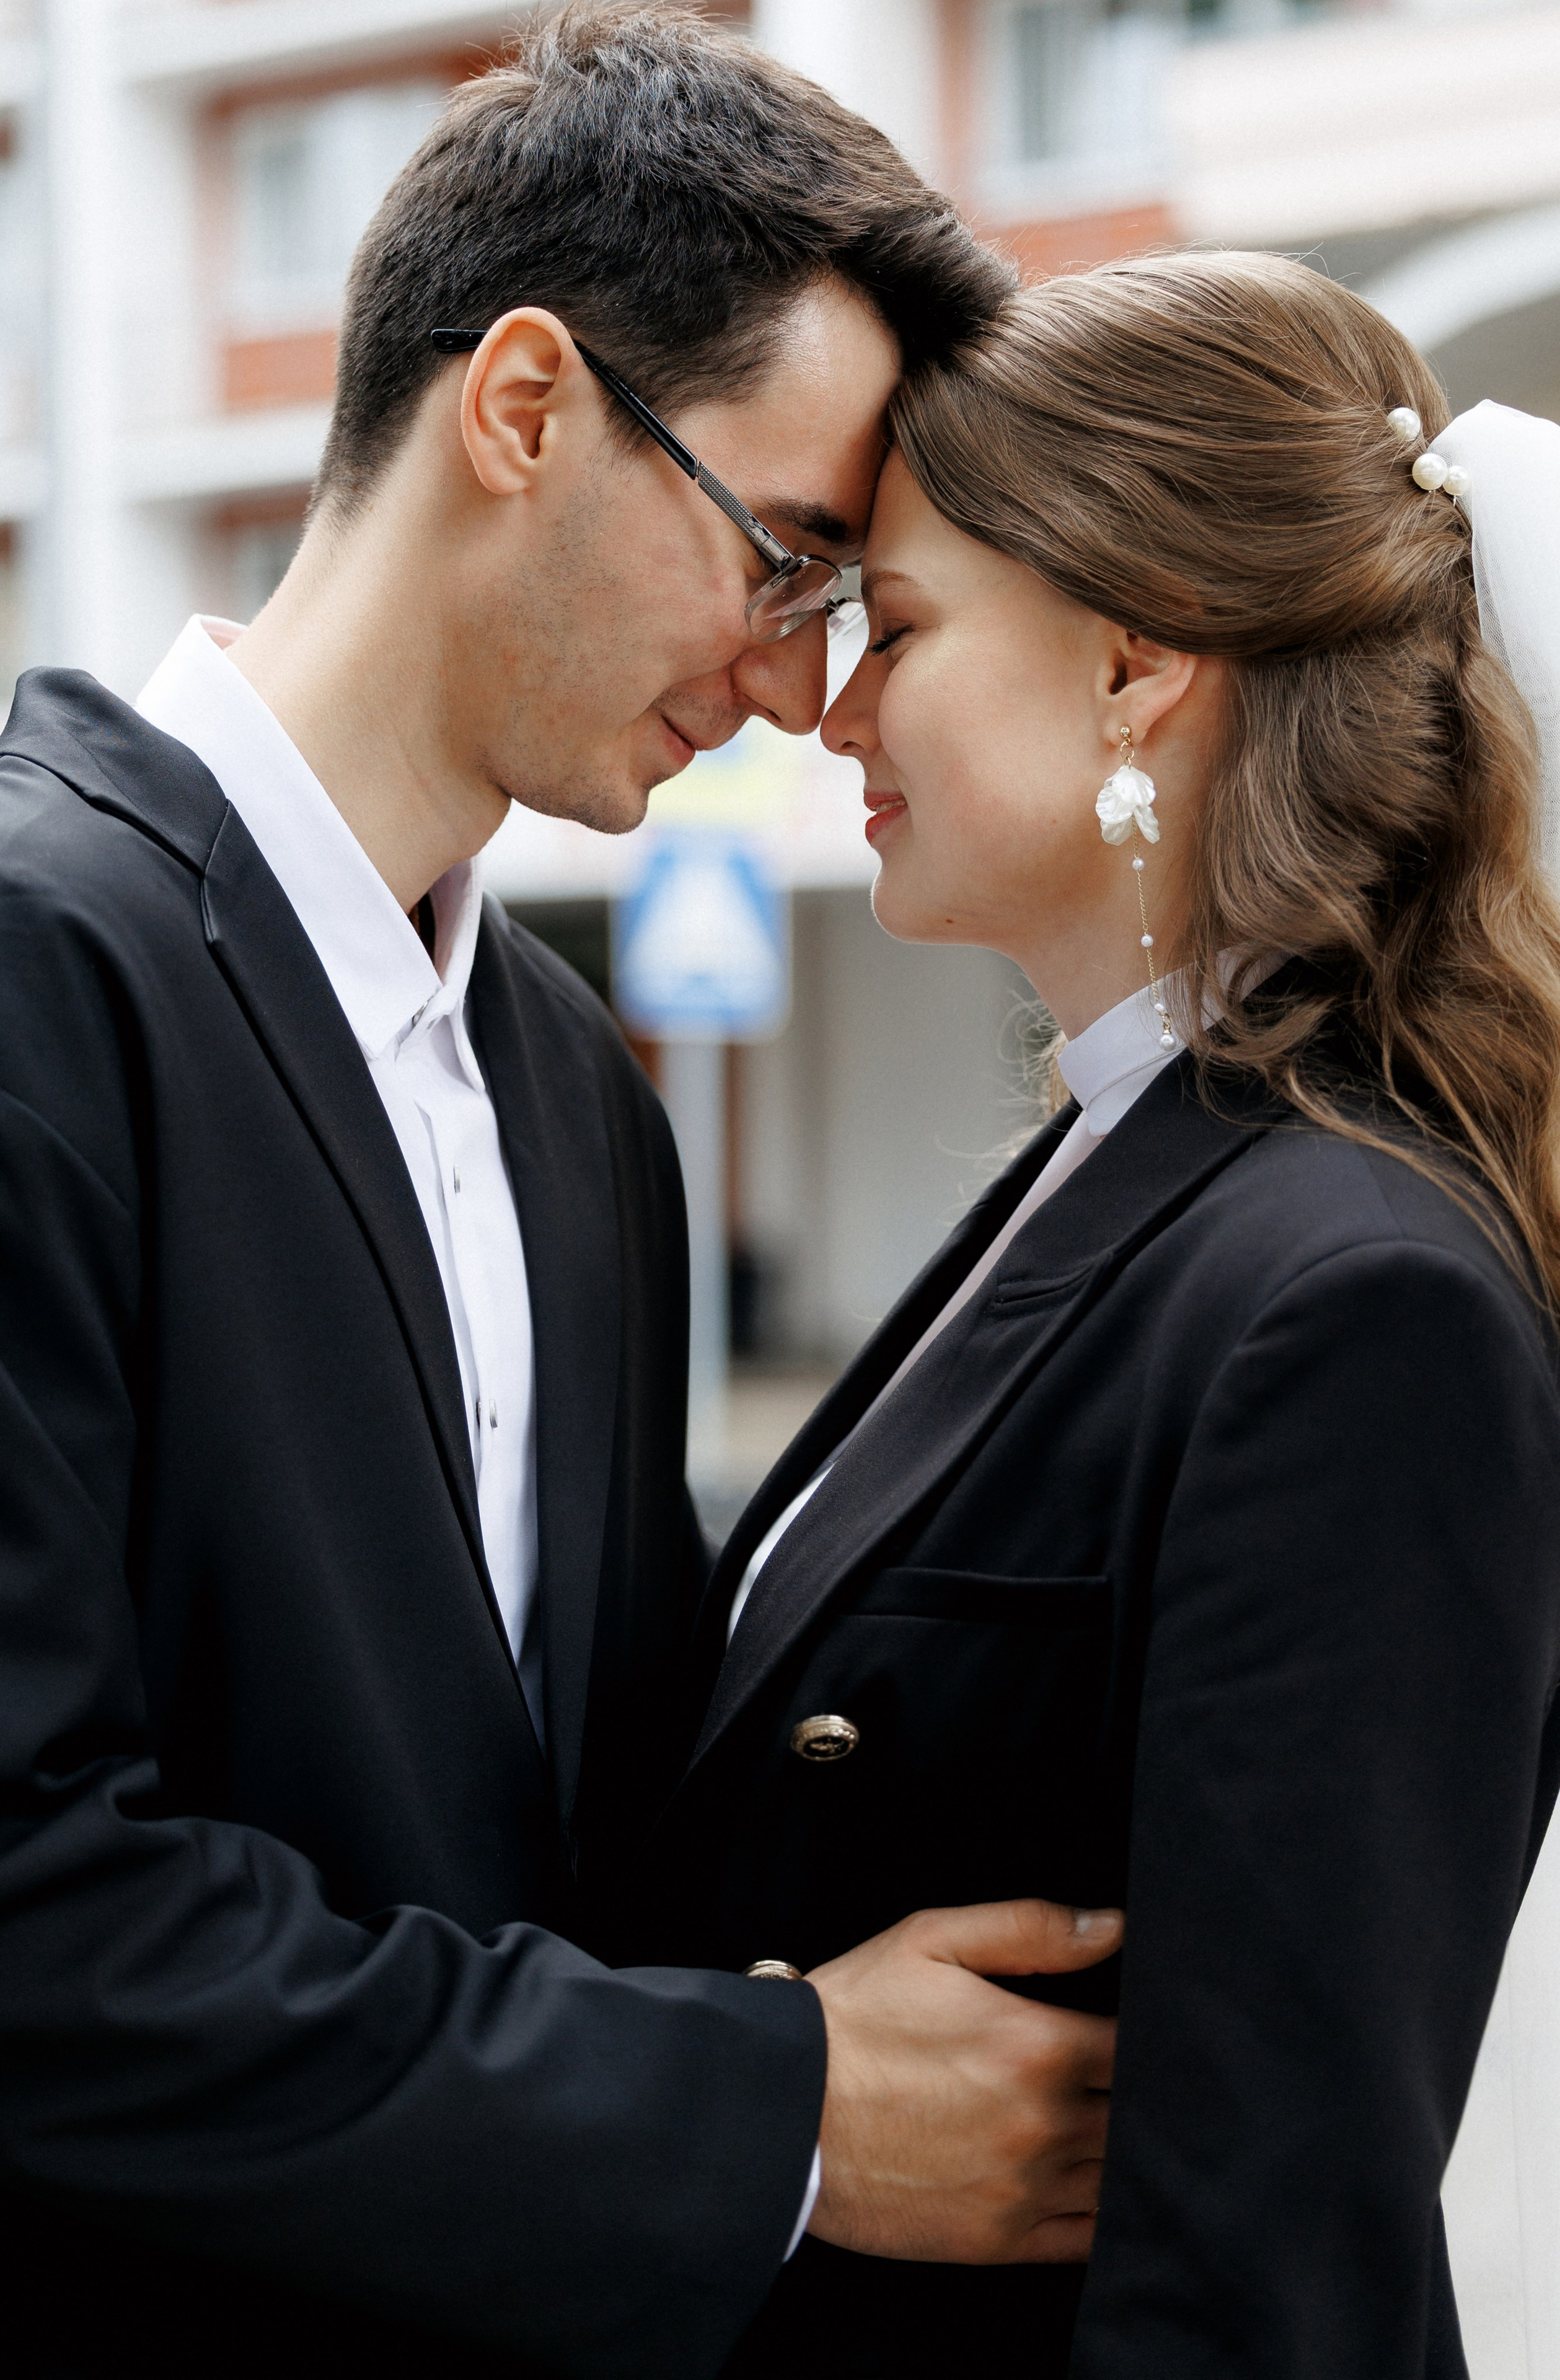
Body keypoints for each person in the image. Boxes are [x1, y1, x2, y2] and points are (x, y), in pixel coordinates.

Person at [0, 10, 1124, 2376]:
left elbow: (577, 1846)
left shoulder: (577, 1102)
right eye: (792, 557)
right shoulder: (17, 974)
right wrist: (778, 2109)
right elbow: (17, 1921)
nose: (810, 691)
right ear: (522, 406)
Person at [611, 253, 1560, 2377]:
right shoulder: (1133, 1169)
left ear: (1138, 665)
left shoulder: (1356, 1297)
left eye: (905, 630)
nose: (837, 711)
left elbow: (1262, 2261)